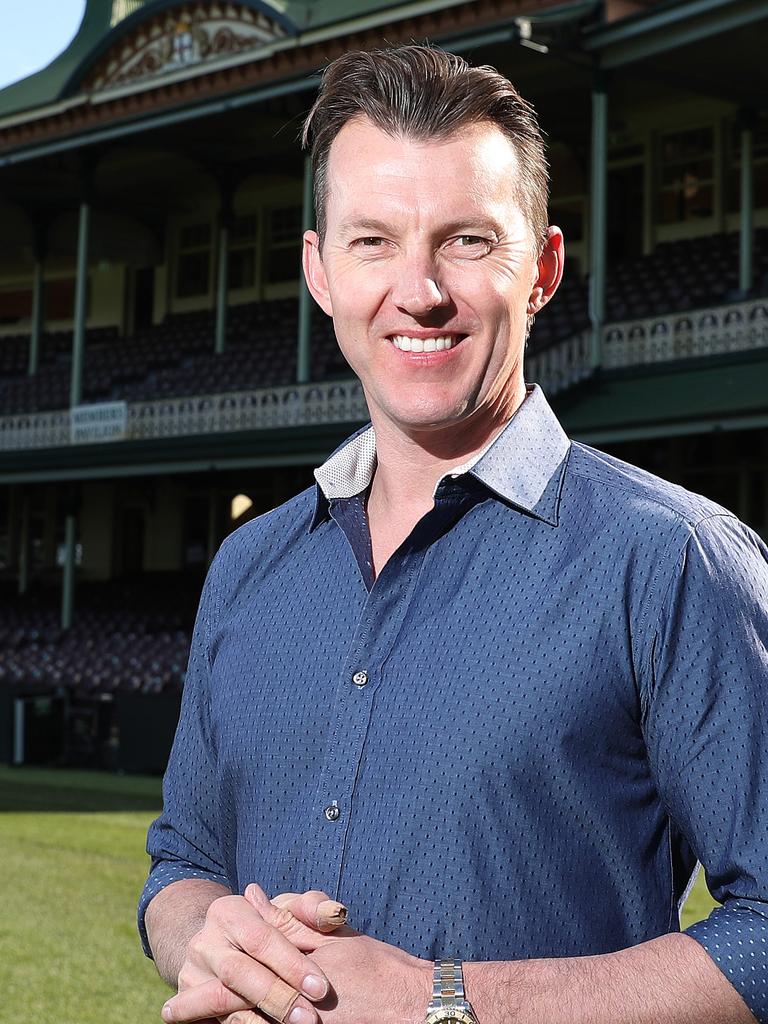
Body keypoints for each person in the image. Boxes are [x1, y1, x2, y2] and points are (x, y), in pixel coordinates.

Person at [140, 45, 768, 1024]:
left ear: (544, 268)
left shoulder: (672, 560)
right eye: (374, 241)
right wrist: (208, 930)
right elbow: (180, 865)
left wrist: (444, 1002)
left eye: (469, 241)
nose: (420, 289)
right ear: (319, 271)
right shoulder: (248, 564)